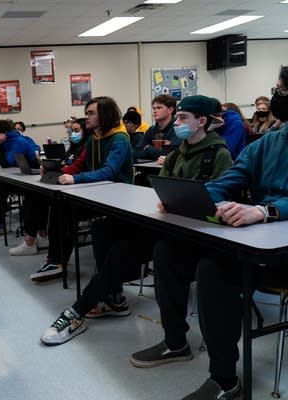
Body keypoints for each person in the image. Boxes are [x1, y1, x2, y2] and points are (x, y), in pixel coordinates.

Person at [131, 68, 288, 400]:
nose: (277, 98)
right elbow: (234, 176)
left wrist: (266, 210)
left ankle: (226, 381)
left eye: (282, 91)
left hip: (281, 248)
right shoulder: (272, 141)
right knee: (167, 251)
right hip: (259, 242)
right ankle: (176, 343)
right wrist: (190, 198)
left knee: (214, 270)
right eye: (278, 90)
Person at [40, 95, 233, 345]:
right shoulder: (175, 156)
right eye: (178, 117)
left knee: (125, 252)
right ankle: (91, 305)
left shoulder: (219, 155)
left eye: (183, 118)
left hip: (198, 234)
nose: (177, 122)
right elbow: (162, 192)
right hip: (169, 226)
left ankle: (78, 311)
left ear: (202, 122)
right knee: (107, 232)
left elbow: (220, 200)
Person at [30, 96, 134, 281]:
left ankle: (62, 262)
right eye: (87, 113)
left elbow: (109, 172)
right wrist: (55, 172)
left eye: (91, 113)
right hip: (96, 194)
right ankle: (56, 261)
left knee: (75, 215)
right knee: (59, 207)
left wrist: (75, 178)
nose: (86, 117)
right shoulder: (93, 139)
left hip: (117, 198)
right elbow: (78, 164)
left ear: (105, 115)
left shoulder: (120, 139)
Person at [8, 118, 90, 256]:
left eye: (76, 131)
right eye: (72, 130)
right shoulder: (72, 149)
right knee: (33, 194)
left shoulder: (87, 147)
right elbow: (63, 163)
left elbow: (77, 168)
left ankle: (31, 241)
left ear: (86, 132)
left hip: (76, 187)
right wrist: (48, 168)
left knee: (36, 199)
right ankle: (40, 235)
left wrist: (59, 170)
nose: (72, 133)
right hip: (64, 183)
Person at [0, 119, 40, 238]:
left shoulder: (18, 142)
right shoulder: (10, 140)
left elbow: (7, 163)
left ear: (2, 133)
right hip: (18, 178)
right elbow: (5, 158)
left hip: (30, 182)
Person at [134, 94, 180, 160]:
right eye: (154, 108)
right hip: (150, 168)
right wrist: (159, 151)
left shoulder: (177, 128)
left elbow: (172, 154)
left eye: (159, 108)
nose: (155, 111)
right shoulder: (151, 130)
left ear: (170, 110)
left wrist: (148, 148)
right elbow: (137, 152)